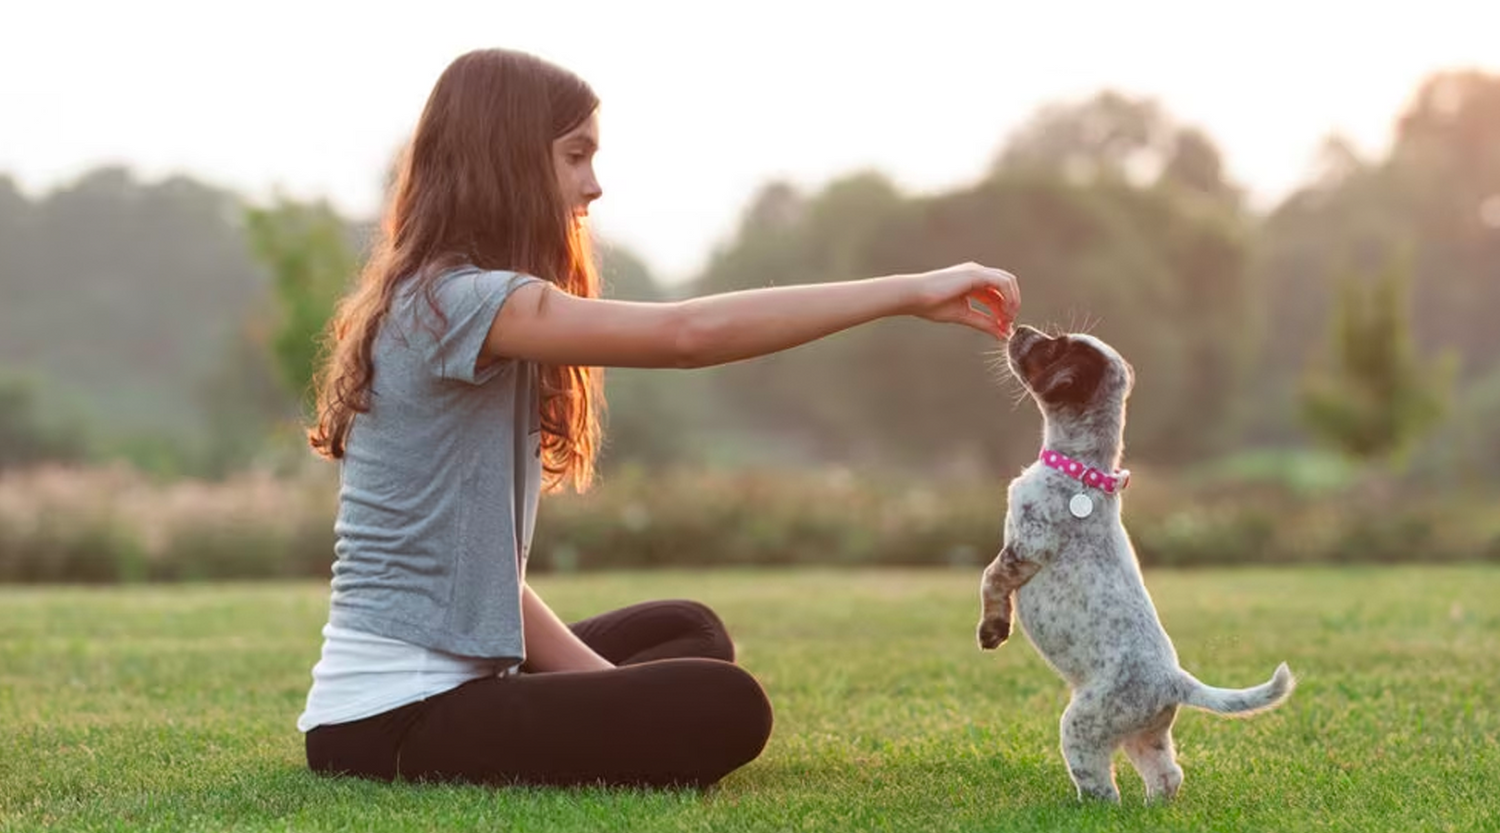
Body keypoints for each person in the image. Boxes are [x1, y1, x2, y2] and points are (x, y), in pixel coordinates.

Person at [296, 47, 1021, 790]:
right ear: (508, 159)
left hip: (446, 686)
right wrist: (910, 292)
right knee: (724, 702)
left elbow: (489, 578)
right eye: (575, 155)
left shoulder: (449, 297)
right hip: (395, 717)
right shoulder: (459, 301)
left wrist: (605, 691)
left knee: (690, 632)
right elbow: (686, 336)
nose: (594, 184)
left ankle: (616, 717)